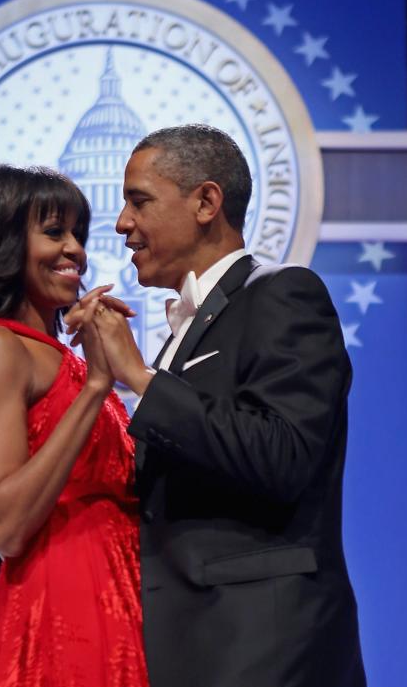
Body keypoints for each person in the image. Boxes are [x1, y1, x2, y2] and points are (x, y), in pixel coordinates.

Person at [79, 124, 367, 686]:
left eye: (139, 201)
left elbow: (282, 456)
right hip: (192, 649)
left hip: (265, 651)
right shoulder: (185, 330)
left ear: (206, 201)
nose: (121, 224)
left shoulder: (284, 294)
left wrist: (140, 377)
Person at [0, 164, 149, 687]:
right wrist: (99, 388)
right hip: (61, 616)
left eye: (77, 233)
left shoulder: (67, 358)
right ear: (1, 242)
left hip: (124, 603)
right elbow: (6, 525)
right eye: (54, 232)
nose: (75, 249)